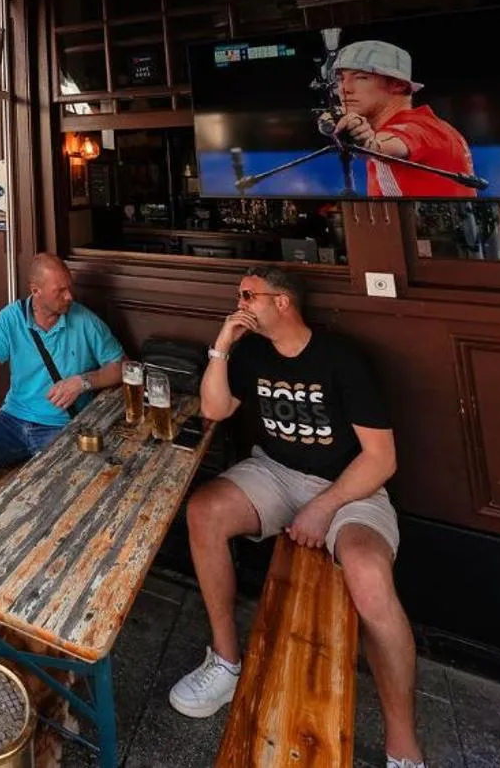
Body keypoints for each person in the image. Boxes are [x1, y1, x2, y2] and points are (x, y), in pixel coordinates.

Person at [167, 266, 425, 768]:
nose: (239, 302)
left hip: (349, 488)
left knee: (369, 577)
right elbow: (215, 410)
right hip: (274, 473)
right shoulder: (251, 352)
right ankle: (224, 661)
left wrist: (323, 507)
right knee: (204, 512)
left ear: (282, 302)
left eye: (247, 295)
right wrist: (222, 344)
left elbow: (380, 459)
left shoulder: (340, 359)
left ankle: (403, 745)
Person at [0, 253, 126, 490]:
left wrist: (83, 381)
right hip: (12, 420)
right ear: (35, 291)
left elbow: (122, 366)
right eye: (60, 291)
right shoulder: (11, 319)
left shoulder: (85, 321)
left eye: (70, 288)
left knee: (70, 488)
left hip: (62, 426)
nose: (69, 296)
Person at [328, 40, 476, 199]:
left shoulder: (417, 127)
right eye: (340, 79)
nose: (345, 90)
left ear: (398, 85)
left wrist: (365, 140)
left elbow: (383, 146)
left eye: (361, 78)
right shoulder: (432, 124)